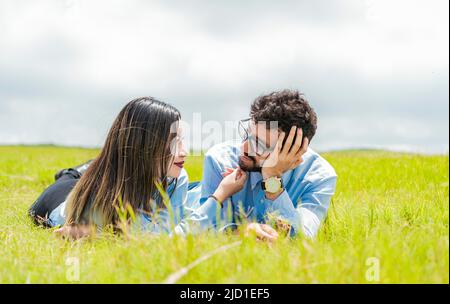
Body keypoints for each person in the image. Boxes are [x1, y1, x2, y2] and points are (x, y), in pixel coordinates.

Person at [28, 97, 247, 238]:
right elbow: (156, 239)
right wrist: (218, 196)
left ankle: (97, 164)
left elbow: (167, 230)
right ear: (145, 146)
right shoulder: (100, 194)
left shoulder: (177, 178)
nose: (184, 151)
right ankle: (84, 168)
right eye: (174, 142)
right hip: (60, 198)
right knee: (72, 176)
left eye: (183, 140)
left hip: (133, 174)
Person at [188, 89, 338, 239]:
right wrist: (240, 233)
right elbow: (205, 233)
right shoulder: (220, 159)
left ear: (294, 153)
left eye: (259, 145)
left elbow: (301, 238)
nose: (244, 148)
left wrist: (272, 178)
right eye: (247, 134)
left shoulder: (320, 177)